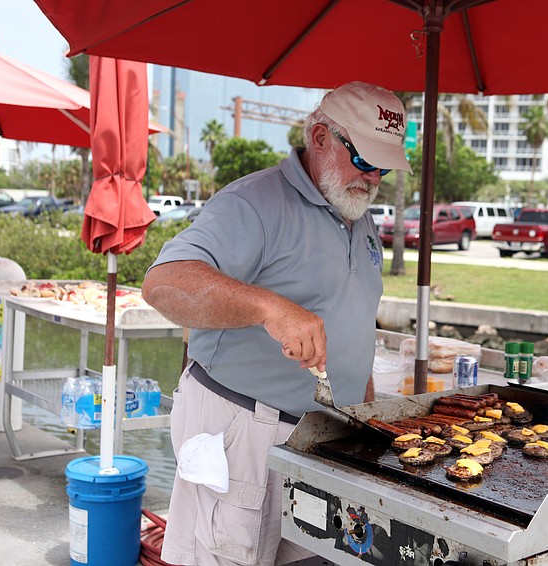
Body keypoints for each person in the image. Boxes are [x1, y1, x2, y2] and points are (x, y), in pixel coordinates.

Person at [141, 81, 412, 566]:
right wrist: (271, 308)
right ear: (321, 137)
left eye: (383, 167)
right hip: (244, 430)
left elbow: (354, 323)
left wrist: (366, 419)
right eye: (364, 160)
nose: (373, 179)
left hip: (328, 437)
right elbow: (164, 283)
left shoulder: (357, 213)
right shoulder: (253, 202)